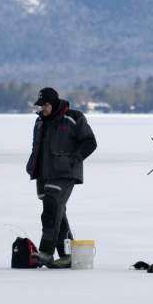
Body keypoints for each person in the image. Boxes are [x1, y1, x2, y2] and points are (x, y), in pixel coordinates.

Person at [26, 87, 97, 267]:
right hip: (44, 174)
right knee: (58, 212)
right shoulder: (40, 122)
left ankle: (46, 252)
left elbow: (90, 142)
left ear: (54, 102)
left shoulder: (74, 118)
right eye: (41, 105)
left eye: (46, 105)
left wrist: (74, 159)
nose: (43, 109)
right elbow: (37, 147)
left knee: (51, 208)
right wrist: (32, 165)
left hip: (65, 173)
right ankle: (67, 255)